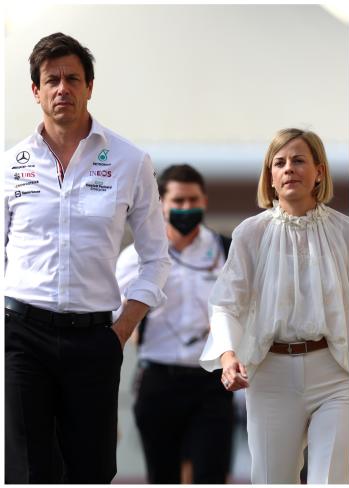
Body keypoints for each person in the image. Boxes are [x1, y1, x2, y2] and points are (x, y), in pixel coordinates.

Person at [4, 33, 170, 483]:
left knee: (92, 469)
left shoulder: (129, 160)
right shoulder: (10, 164)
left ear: (90, 86)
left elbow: (156, 256)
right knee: (27, 471)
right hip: (22, 337)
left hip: (95, 338)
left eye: (73, 79)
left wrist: (121, 329)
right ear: (36, 91)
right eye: (52, 80)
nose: (63, 89)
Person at [199, 128, 349, 484]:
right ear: (270, 176)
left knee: (331, 480)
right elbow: (225, 304)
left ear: (320, 171)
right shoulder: (250, 233)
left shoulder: (345, 231)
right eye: (278, 163)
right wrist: (228, 356)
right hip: (270, 376)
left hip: (335, 373)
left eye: (299, 160)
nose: (289, 169)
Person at [114, 164, 235, 483]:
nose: (186, 208)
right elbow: (109, 321)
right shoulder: (137, 256)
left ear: (205, 201)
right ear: (160, 205)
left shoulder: (227, 250)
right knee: (162, 476)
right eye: (178, 201)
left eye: (193, 200)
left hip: (212, 382)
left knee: (211, 474)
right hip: (158, 379)